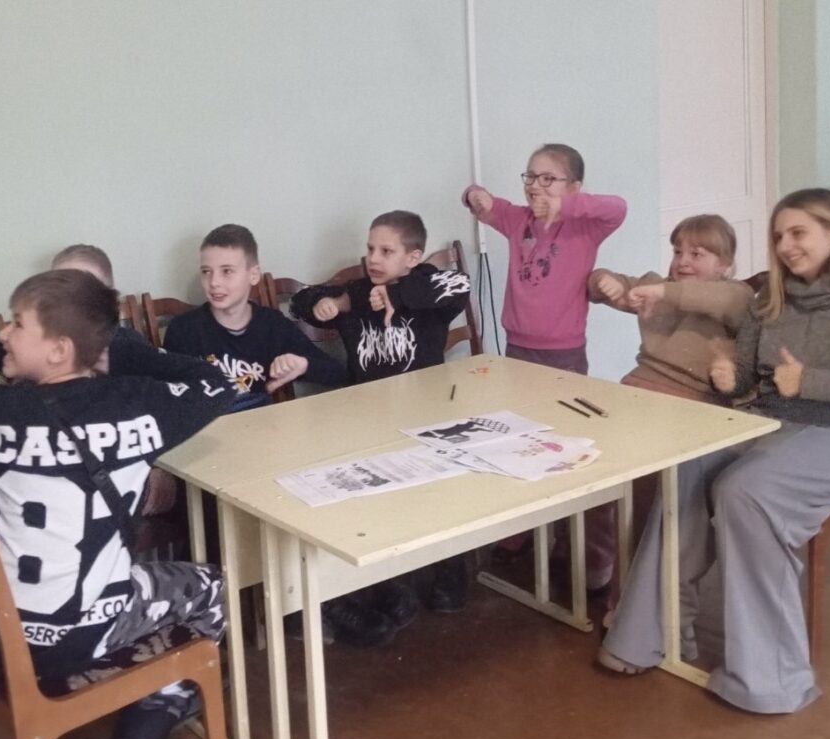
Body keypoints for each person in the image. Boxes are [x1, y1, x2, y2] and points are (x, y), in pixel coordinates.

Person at [0, 269, 241, 739]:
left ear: (58, 350)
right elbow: (218, 383)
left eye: (16, 324)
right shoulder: (141, 405)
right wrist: (122, 348)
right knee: (212, 588)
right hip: (82, 639)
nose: (4, 333)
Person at [597, 188, 830, 714]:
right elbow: (747, 375)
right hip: (768, 422)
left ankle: (771, 677)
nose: (785, 245)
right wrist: (728, 376)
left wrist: (812, 381)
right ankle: (656, 634)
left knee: (745, 490)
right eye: (779, 235)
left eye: (798, 233)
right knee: (686, 469)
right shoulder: (771, 302)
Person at [290, 210, 473, 645]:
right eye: (371, 248)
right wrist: (335, 304)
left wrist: (396, 294)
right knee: (380, 506)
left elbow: (460, 285)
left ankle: (452, 568)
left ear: (413, 258)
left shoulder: (427, 291)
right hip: (367, 424)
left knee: (440, 496)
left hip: (427, 418)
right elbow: (301, 303)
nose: (373, 258)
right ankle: (395, 583)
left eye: (386, 251)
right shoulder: (356, 292)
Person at [462, 143, 627, 590]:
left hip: (563, 356)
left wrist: (564, 204)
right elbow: (483, 203)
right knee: (520, 443)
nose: (536, 186)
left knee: (572, 450)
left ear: (575, 187)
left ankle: (591, 553)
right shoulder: (519, 221)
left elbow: (618, 207)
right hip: (518, 351)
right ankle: (522, 533)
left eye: (548, 178)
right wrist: (475, 194)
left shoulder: (586, 226)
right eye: (531, 177)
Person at [163, 224, 345, 402]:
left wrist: (303, 365)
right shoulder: (184, 330)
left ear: (253, 275)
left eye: (227, 271)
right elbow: (169, 398)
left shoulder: (272, 324)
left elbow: (337, 373)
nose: (214, 282)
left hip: (263, 418)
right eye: (206, 271)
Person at [588, 214, 753, 402]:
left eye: (696, 254)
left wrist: (662, 292)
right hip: (639, 383)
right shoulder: (656, 286)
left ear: (724, 264)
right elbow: (597, 285)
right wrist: (603, 281)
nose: (683, 261)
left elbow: (717, 297)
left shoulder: (735, 293)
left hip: (696, 397)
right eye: (677, 252)